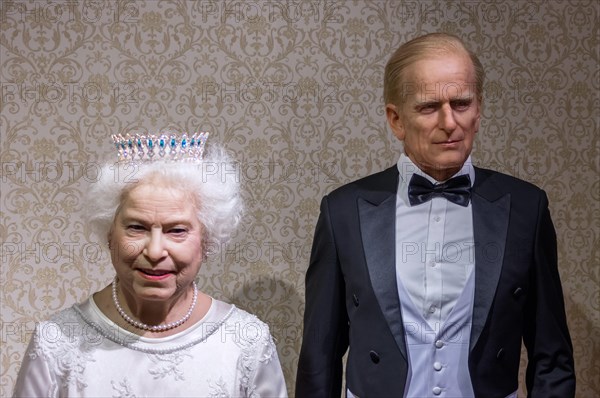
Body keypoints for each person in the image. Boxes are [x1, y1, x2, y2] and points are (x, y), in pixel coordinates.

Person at [295, 33, 575, 398]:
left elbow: (551, 356)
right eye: (429, 107)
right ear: (396, 119)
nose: (449, 122)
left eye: (461, 103)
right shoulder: (343, 211)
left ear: (479, 111)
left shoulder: (527, 207)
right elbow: (320, 357)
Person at [13, 133, 288, 397]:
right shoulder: (57, 341)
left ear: (207, 239)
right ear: (110, 234)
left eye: (177, 230)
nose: (155, 251)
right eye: (136, 227)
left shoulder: (247, 341)